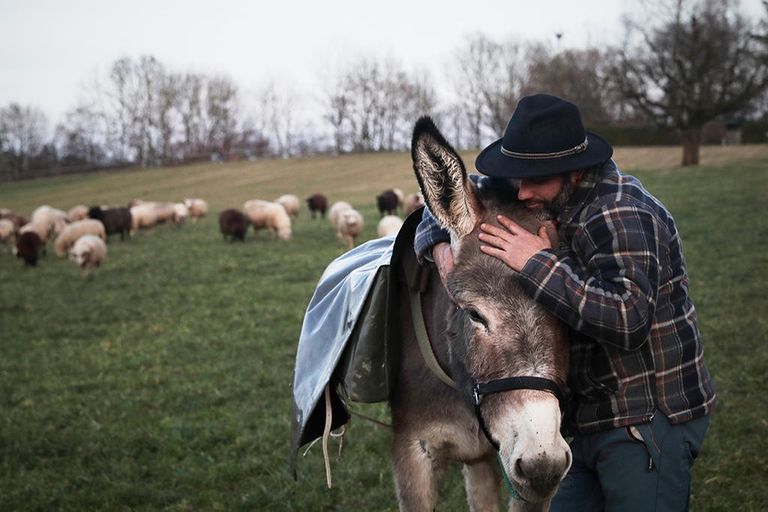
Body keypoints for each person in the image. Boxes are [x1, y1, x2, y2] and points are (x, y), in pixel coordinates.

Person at [414, 93, 716, 511]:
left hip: (646, 419)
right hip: (589, 420)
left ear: (572, 171)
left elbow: (628, 320)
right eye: (517, 176)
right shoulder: (546, 193)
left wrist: (536, 263)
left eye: (533, 178)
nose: (521, 193)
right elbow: (452, 199)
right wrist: (437, 244)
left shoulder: (621, 212)